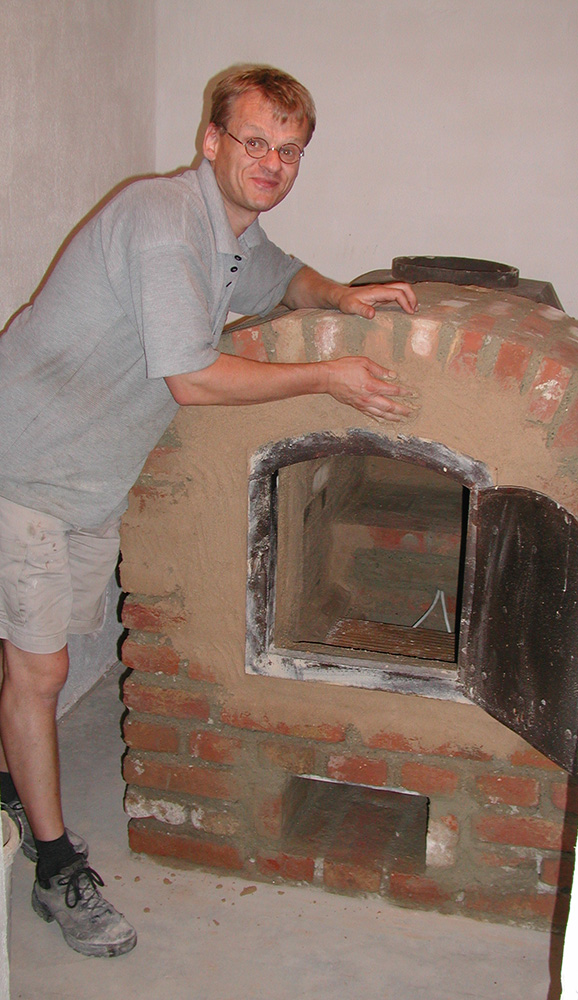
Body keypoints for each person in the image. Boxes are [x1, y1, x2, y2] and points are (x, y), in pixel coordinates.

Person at [0, 65, 418, 958]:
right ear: (211, 140)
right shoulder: (162, 220)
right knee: (38, 674)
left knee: (44, 655)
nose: (271, 162)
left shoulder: (234, 234)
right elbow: (191, 378)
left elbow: (286, 275)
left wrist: (342, 296)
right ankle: (53, 864)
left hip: (86, 483)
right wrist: (328, 375)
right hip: (23, 468)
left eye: (289, 150)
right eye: (255, 141)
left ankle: (9, 768)